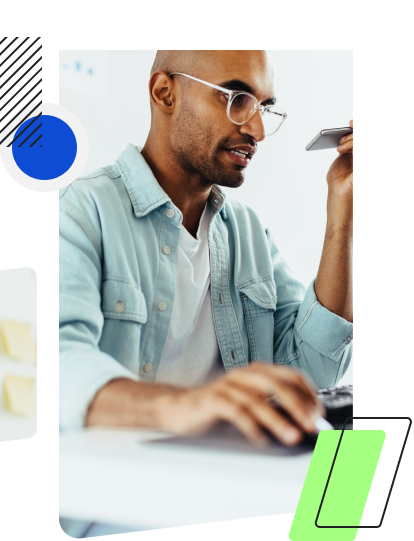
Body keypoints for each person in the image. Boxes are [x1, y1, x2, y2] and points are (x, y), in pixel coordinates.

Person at [59, 50, 353, 537]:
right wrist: (189, 406)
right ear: (164, 92)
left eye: (265, 106)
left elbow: (309, 375)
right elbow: (57, 366)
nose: (257, 130)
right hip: (119, 505)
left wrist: (343, 213)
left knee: (352, 494)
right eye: (238, 98)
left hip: (235, 485)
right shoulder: (82, 211)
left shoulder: (248, 233)